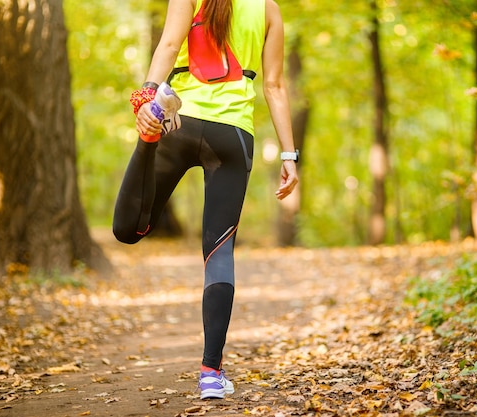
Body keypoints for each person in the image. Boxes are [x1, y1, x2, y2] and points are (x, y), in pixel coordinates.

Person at [112, 0, 298, 400]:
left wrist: (146, 98)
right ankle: (211, 374)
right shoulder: (269, 9)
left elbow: (167, 45)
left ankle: (148, 140)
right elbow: (275, 85)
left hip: (177, 123)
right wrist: (288, 154)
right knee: (219, 252)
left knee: (130, 230)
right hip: (231, 134)